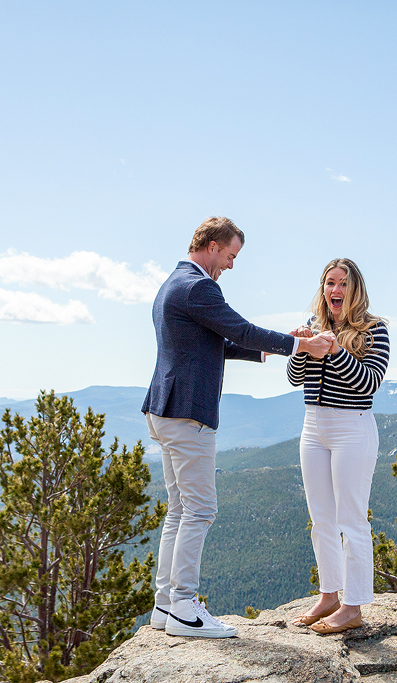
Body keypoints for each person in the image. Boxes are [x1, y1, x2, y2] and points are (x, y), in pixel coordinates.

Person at [142, 217, 332, 639]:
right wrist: (302, 345)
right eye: (230, 256)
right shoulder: (198, 287)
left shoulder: (174, 283)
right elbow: (241, 329)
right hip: (188, 412)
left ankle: (165, 603)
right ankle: (186, 608)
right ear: (211, 246)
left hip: (165, 408)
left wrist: (272, 347)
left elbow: (220, 343)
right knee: (201, 510)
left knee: (179, 509)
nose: (230, 265)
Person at [287, 258, 390, 634]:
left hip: (352, 427)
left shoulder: (374, 330)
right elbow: (296, 378)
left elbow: (368, 383)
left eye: (343, 284)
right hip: (313, 426)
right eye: (330, 283)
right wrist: (301, 347)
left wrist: (335, 352)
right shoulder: (315, 327)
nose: (335, 290)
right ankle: (329, 593)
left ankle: (353, 606)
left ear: (355, 289)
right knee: (321, 519)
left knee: (351, 519)